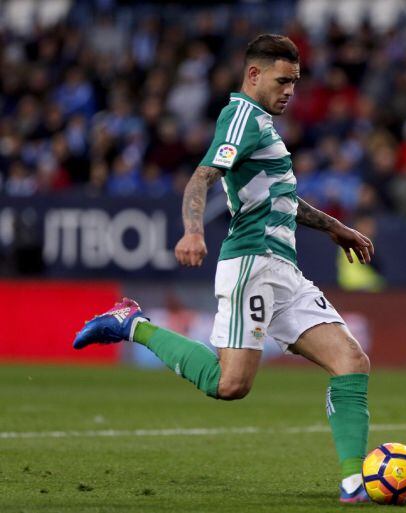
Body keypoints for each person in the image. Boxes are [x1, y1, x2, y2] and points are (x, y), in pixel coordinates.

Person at [73, 34, 375, 503]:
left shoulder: (264, 124)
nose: (290, 91)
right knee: (230, 384)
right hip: (251, 263)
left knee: (351, 361)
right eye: (282, 80)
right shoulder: (241, 118)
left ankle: (353, 483)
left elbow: (281, 197)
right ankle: (132, 323)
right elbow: (201, 178)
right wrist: (193, 231)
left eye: (295, 81)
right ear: (254, 74)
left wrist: (335, 227)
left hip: (285, 270)